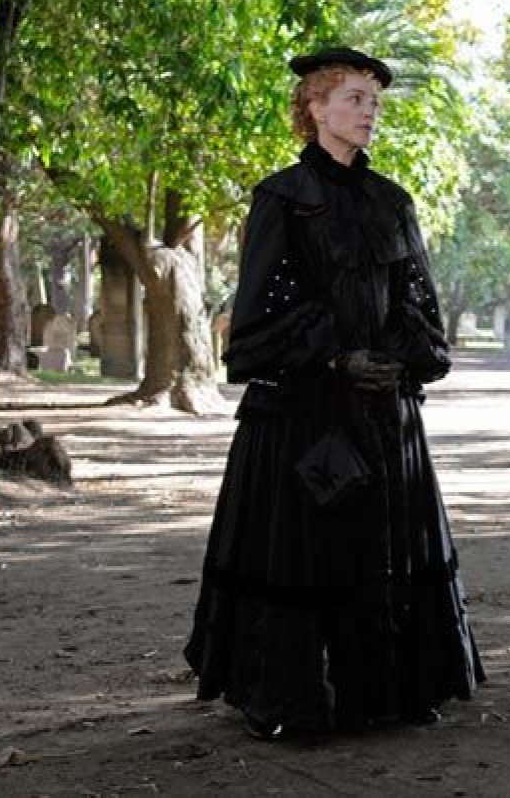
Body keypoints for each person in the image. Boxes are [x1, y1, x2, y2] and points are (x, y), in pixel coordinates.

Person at [184, 47, 484, 740]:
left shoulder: (392, 200)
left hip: (384, 407)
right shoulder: (282, 197)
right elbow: (259, 313)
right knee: (307, 547)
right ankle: (293, 699)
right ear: (314, 109)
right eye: (353, 98)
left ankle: (389, 691)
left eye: (374, 101)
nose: (368, 111)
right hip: (305, 409)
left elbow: (417, 304)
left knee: (389, 543)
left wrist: (399, 363)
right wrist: (335, 357)